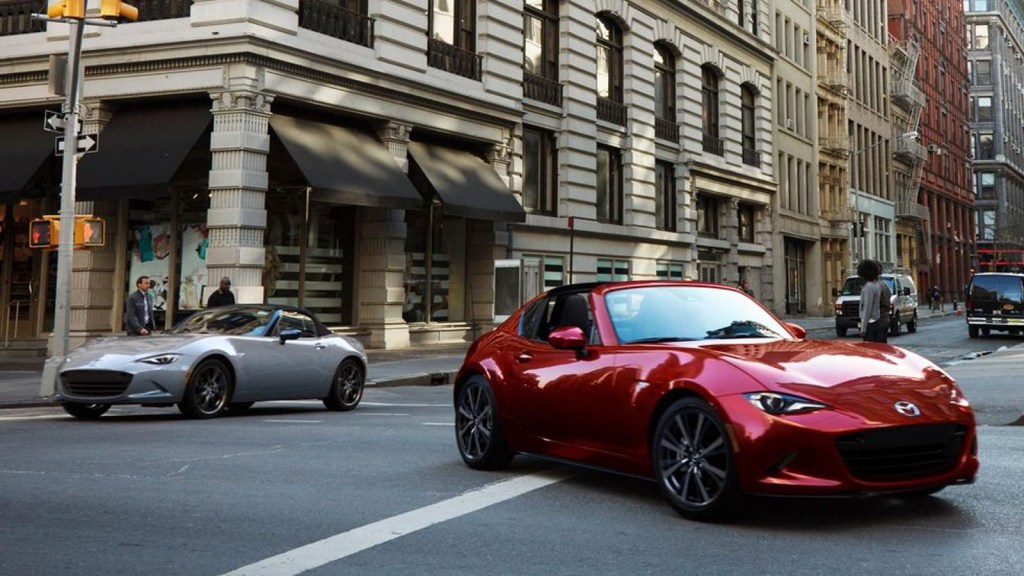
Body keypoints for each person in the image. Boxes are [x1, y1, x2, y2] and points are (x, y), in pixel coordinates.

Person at [857, 259, 890, 343]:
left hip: (871, 324)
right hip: (879, 321)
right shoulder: (877, 285)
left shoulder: (869, 287)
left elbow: (867, 308)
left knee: (871, 349)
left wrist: (863, 328)